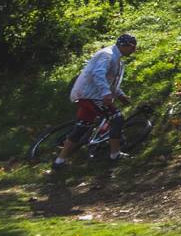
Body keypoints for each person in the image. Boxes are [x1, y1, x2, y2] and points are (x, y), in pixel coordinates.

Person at [53, 33, 137, 168]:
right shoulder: (108, 55)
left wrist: (120, 95)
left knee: (81, 127)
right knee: (117, 119)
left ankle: (59, 161)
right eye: (133, 47)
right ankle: (115, 156)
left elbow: (110, 82)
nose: (134, 51)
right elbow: (98, 73)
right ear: (125, 46)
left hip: (85, 95)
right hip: (92, 95)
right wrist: (106, 93)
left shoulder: (116, 59)